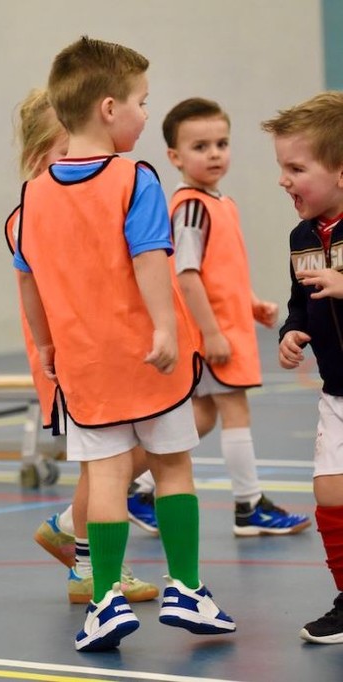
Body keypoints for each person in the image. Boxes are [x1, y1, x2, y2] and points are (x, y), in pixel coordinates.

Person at [13, 36, 235, 651]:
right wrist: (165, 327)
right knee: (172, 468)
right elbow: (150, 258)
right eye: (141, 101)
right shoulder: (133, 178)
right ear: (109, 108)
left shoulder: (31, 198)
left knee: (105, 477)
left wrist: (47, 345)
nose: (144, 113)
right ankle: (186, 588)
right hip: (147, 358)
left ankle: (105, 600)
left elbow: (28, 282)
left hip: (84, 367)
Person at [123, 98, 310, 538]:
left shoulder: (221, 202)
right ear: (174, 157)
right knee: (235, 410)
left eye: (221, 143)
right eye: (200, 146)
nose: (214, 153)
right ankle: (249, 506)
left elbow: (219, 271)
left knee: (201, 417)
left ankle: (139, 487)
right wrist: (212, 333)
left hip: (228, 327)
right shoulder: (190, 207)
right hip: (213, 334)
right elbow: (186, 276)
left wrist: (250, 302)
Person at [8, 89, 158, 606]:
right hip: (68, 355)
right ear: (38, 158)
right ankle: (88, 567)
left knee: (121, 456)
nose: (76, 157)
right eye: (63, 148)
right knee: (103, 463)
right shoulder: (31, 211)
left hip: (104, 347)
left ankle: (69, 526)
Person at [264, 90, 343, 644]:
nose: (284, 180)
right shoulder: (301, 237)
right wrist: (296, 329)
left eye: (296, 167)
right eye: (281, 168)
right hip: (337, 391)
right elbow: (302, 298)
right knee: (331, 496)